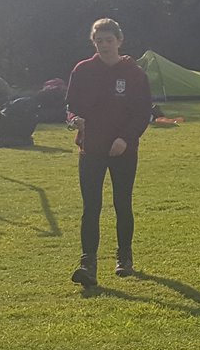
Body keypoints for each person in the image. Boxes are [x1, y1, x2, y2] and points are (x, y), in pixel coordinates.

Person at [65, 19, 152, 287]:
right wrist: (74, 119)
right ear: (93, 42)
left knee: (122, 203)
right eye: (99, 41)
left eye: (109, 40)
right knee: (91, 206)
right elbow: (71, 107)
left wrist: (125, 139)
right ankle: (88, 263)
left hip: (123, 150)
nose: (104, 45)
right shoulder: (82, 70)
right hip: (91, 148)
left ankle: (124, 258)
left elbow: (143, 113)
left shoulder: (134, 73)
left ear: (119, 41)